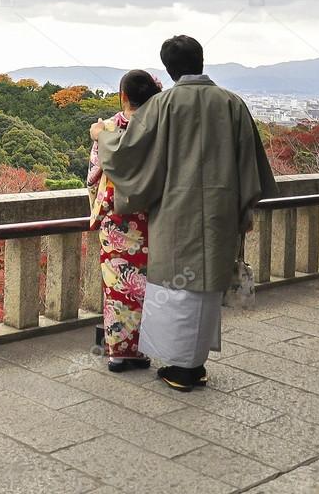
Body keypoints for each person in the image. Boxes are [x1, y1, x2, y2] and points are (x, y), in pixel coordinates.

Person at [90, 35, 277, 392]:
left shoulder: (164, 105)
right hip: (220, 214)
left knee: (178, 291)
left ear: (170, 67)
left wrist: (101, 135)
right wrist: (242, 207)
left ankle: (183, 368)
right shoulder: (232, 103)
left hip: (176, 214)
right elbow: (248, 163)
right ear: (201, 61)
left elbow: (131, 152)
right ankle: (195, 362)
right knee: (204, 292)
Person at [87, 70, 161, 373]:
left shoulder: (106, 128)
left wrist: (98, 201)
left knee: (118, 286)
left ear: (124, 96)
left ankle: (119, 351)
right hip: (151, 218)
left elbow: (94, 175)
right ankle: (146, 348)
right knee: (148, 286)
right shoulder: (160, 128)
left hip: (116, 217)